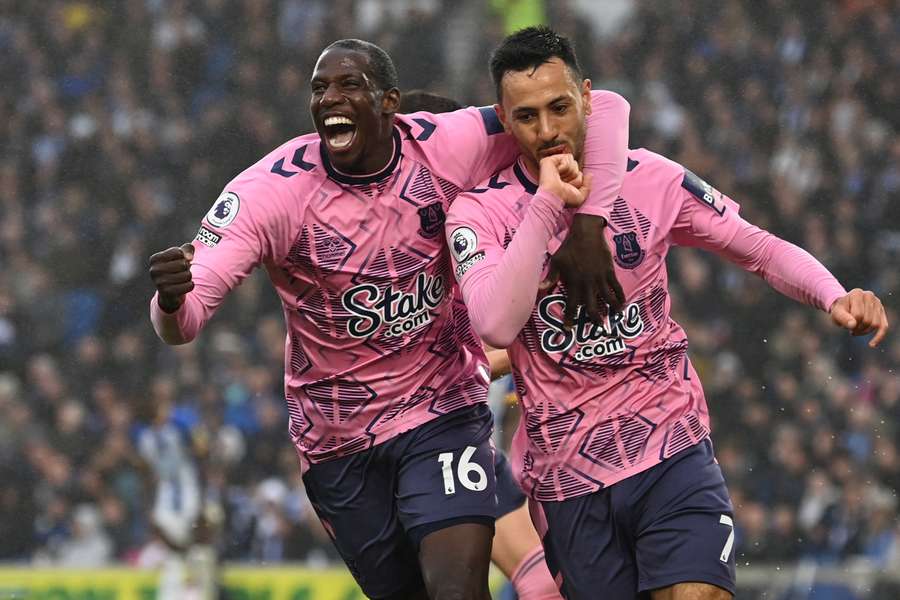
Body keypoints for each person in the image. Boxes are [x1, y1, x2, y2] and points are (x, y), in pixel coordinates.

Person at [148, 39, 629, 599]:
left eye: (349, 85)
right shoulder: (270, 193)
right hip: (338, 441)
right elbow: (185, 321)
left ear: (389, 103)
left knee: (460, 587)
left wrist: (591, 225)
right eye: (320, 88)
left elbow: (609, 106)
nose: (331, 98)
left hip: (442, 410)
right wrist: (170, 301)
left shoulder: (446, 145)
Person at [445, 26, 889, 600]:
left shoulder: (651, 178)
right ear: (504, 121)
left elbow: (757, 247)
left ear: (586, 95)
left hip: (670, 448)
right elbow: (497, 326)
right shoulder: (479, 214)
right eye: (527, 117)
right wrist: (549, 202)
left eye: (560, 107)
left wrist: (833, 294)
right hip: (567, 479)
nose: (549, 130)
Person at [397, 89, 561, 600]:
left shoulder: (483, 230)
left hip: (467, 445)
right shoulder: (406, 260)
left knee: (542, 583)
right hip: (417, 446)